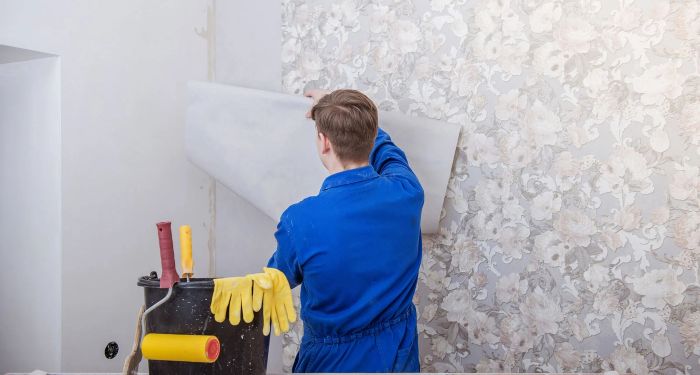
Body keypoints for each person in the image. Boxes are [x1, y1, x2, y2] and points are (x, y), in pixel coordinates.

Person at [266, 88, 424, 373]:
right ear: (372, 136)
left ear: (324, 142)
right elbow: (389, 153)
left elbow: (273, 282)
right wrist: (351, 118)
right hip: (398, 356)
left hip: (333, 363)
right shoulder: (408, 191)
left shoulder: (299, 221)